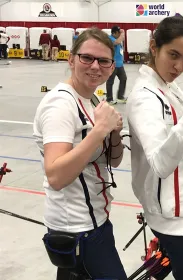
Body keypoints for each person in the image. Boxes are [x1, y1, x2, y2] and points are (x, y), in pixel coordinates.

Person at [33, 27, 127, 280]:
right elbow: (56, 176)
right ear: (71, 59)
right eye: (87, 58)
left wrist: (114, 132)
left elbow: (114, 161)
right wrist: (100, 131)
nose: (96, 66)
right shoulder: (60, 104)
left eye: (104, 60)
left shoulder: (93, 100)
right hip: (77, 226)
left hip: (95, 218)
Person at [126, 15, 183, 280]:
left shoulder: (168, 86)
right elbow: (162, 163)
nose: (178, 67)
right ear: (154, 46)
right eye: (173, 55)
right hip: (173, 214)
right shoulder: (144, 96)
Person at [106, 26, 127, 104]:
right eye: (118, 33)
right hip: (112, 64)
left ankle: (120, 96)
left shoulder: (118, 38)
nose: (119, 35)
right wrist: (122, 33)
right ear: (114, 33)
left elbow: (121, 41)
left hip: (120, 64)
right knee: (110, 82)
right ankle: (109, 99)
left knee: (123, 79)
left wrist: (122, 33)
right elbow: (117, 42)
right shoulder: (110, 39)